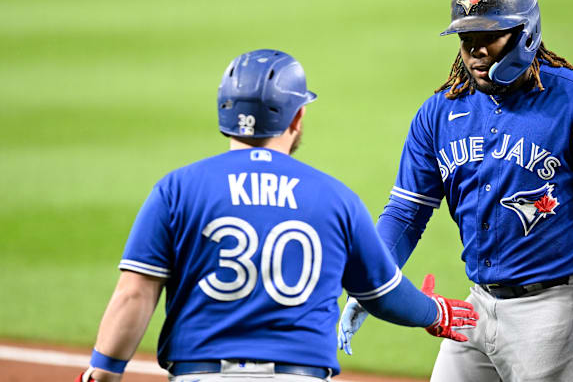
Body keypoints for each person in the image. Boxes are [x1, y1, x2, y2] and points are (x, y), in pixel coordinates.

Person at [338, 0, 573, 381]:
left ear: (526, 34)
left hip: (562, 309)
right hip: (479, 305)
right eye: (466, 39)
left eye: (489, 36)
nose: (476, 51)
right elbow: (406, 213)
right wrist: (377, 276)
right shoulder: (439, 113)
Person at [75, 49, 478, 382]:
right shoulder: (335, 199)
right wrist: (435, 312)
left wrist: (106, 370)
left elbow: (134, 293)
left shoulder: (176, 190)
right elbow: (383, 294)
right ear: (296, 117)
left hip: (201, 374)